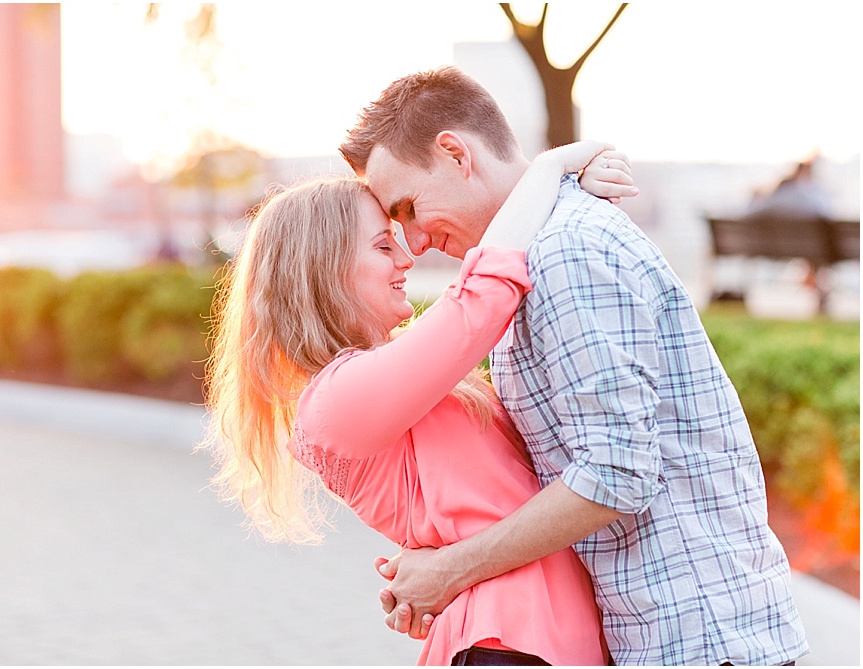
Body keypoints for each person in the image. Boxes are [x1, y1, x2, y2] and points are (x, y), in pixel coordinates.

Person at [339, 66, 809, 666]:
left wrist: (450, 571)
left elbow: (617, 471)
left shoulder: (565, 252)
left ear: (456, 154)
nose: (414, 241)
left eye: (408, 208)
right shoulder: (532, 255)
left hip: (698, 639)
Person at [203, 141, 635, 665]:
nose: (407, 257)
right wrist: (548, 169)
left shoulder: (388, 386)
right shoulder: (336, 401)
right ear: (323, 268)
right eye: (383, 245)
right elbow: (481, 297)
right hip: (505, 643)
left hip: (538, 641)